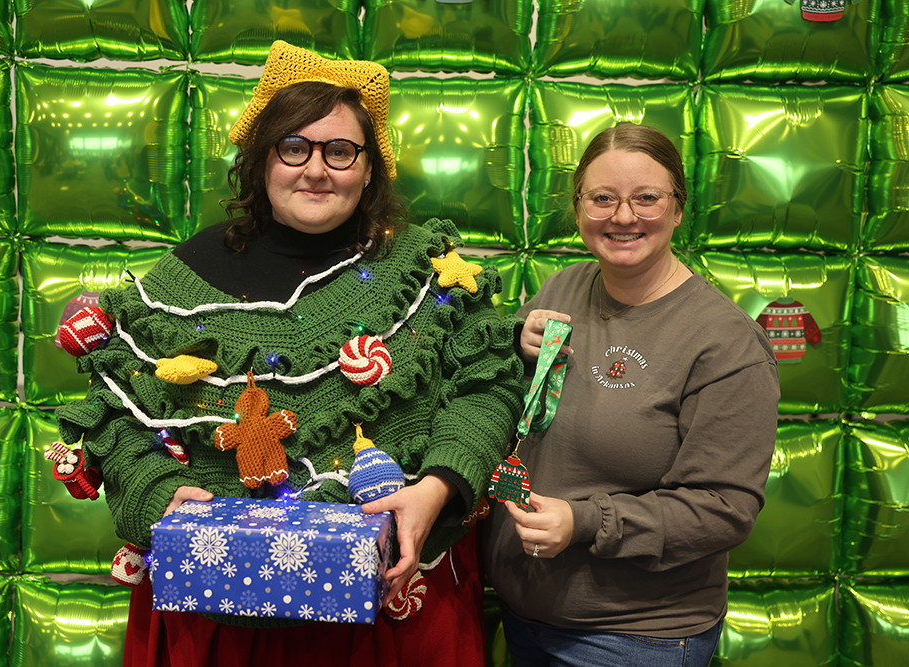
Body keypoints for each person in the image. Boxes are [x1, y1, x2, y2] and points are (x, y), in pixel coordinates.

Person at [56, 41, 524, 666]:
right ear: (260, 160)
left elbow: (487, 383)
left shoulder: (425, 271)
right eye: (294, 147)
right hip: (217, 619)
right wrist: (155, 490)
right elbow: (112, 413)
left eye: (340, 151)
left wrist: (439, 485)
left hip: (399, 610)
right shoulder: (177, 283)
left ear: (369, 168)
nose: (316, 169)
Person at [481, 124, 780, 667]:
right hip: (524, 615)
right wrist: (513, 343)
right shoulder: (563, 287)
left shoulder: (725, 342)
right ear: (578, 208)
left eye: (646, 198)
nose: (623, 217)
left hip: (633, 638)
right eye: (603, 198)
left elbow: (724, 508)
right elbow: (517, 413)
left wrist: (586, 521)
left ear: (678, 209)